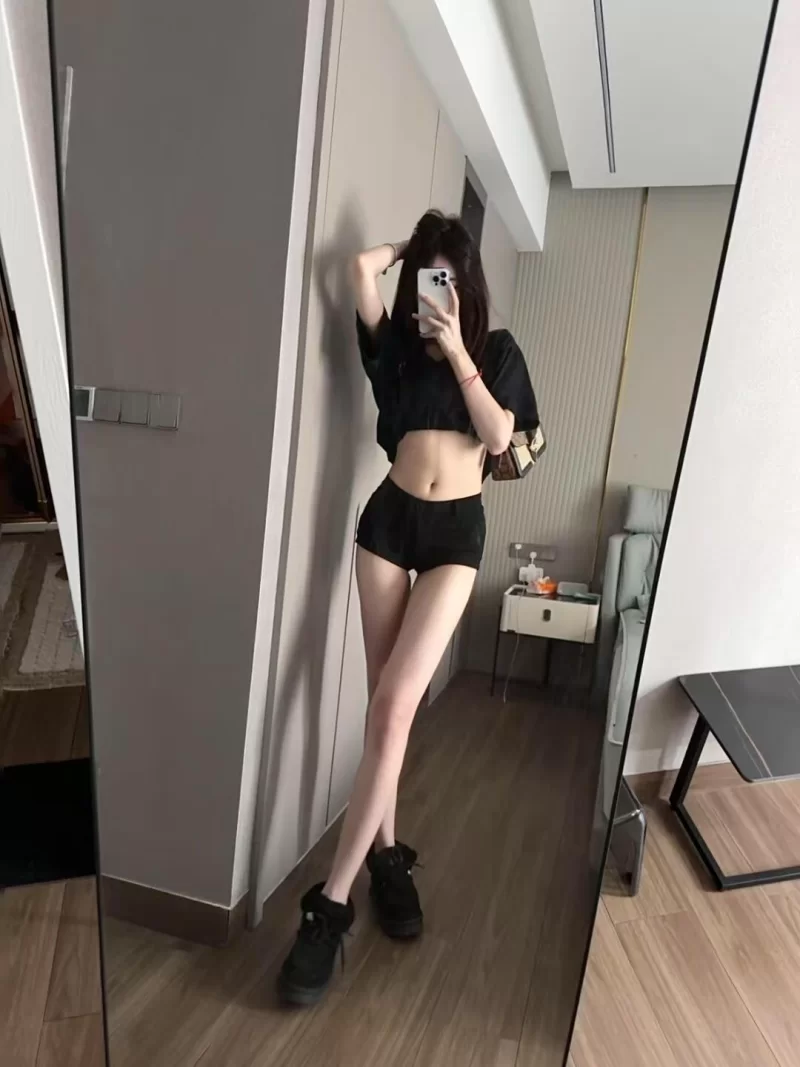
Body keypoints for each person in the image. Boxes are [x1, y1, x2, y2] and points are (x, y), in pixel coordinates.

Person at [279, 210, 539, 1005]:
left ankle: (329, 905)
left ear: (471, 284)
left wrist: (458, 347)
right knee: (382, 712)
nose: (438, 291)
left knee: (396, 706)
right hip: (388, 525)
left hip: (455, 535)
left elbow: (504, 439)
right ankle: (388, 858)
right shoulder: (393, 346)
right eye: (430, 277)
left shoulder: (496, 351)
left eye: (450, 277)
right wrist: (411, 245)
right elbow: (359, 269)